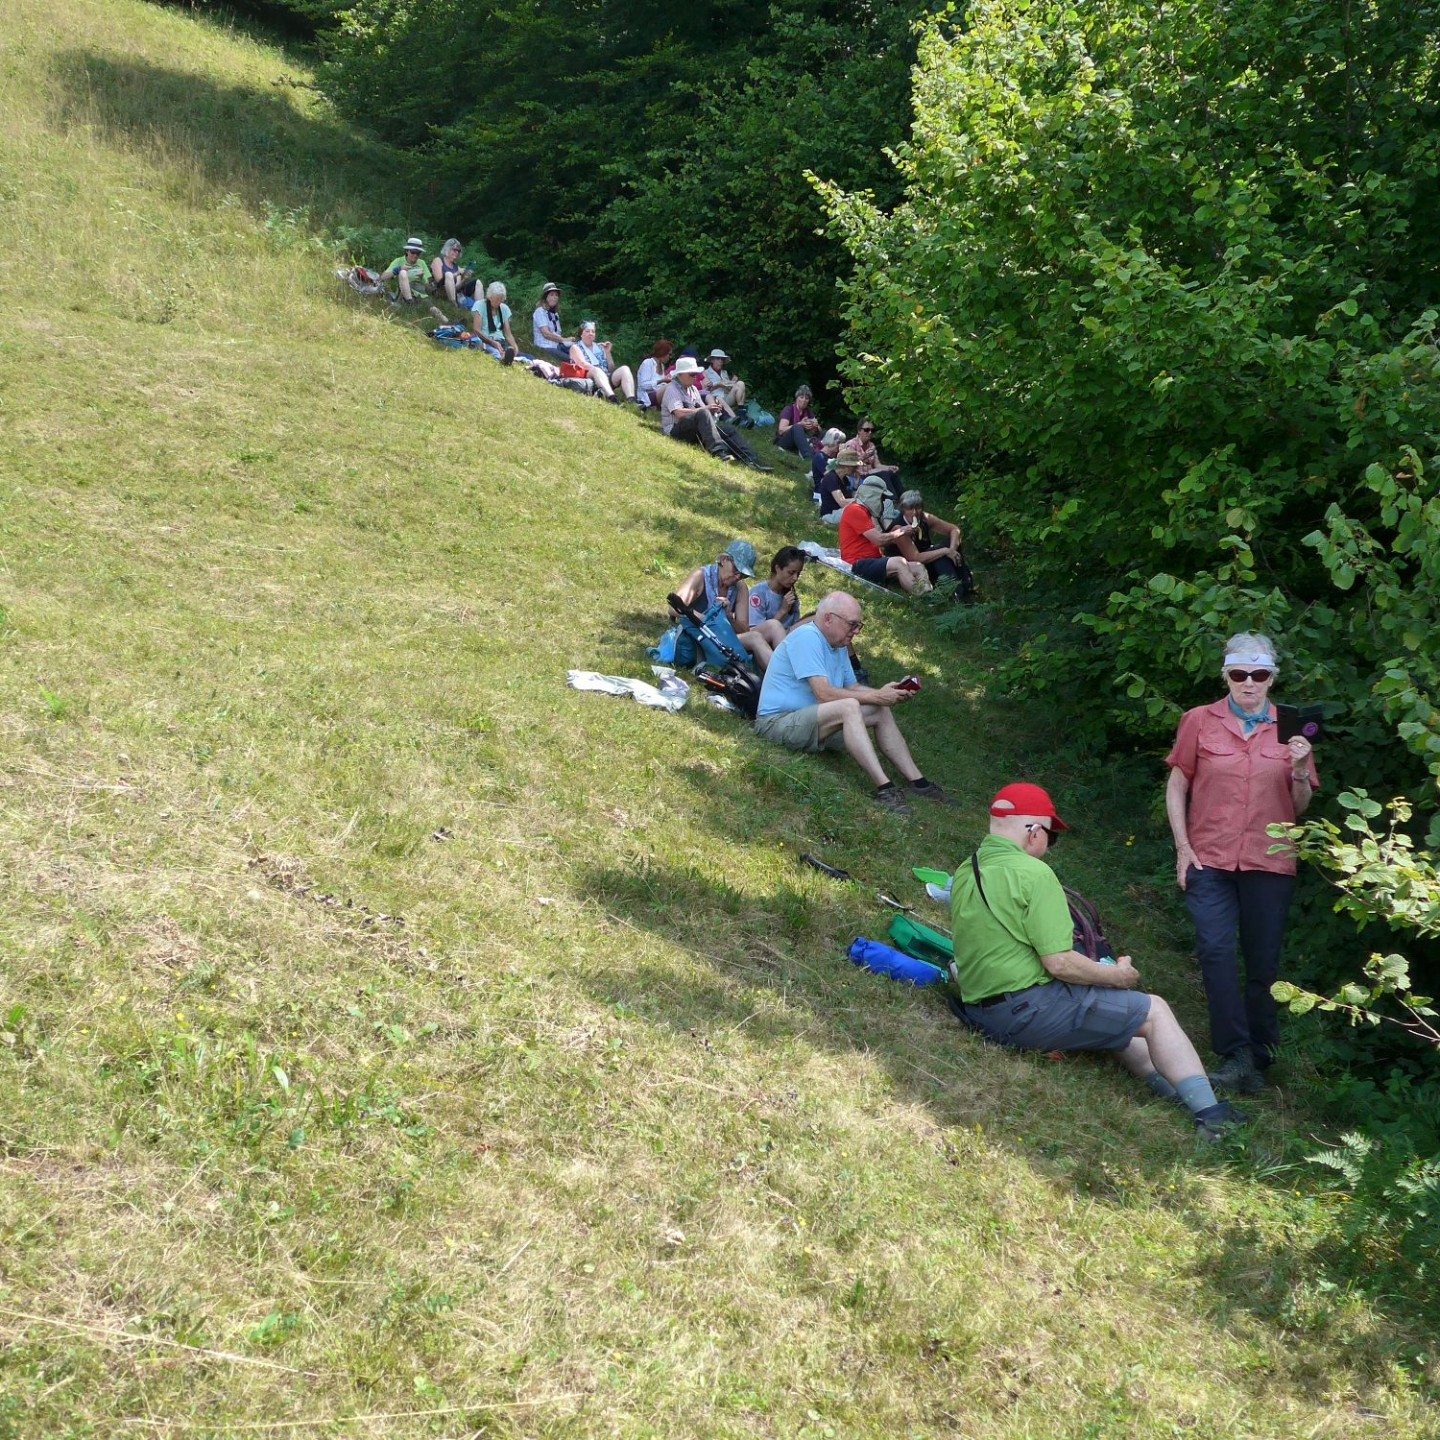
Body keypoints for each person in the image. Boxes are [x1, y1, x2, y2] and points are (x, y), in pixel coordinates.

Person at [948, 782, 1249, 1139]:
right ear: (1032, 833)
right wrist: (1118, 977)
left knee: (1120, 1016)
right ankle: (1212, 1115)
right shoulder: (1035, 874)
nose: (1049, 845)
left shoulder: (969, 868)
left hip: (980, 1008)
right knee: (1153, 1010)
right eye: (1051, 836)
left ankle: (1174, 1091)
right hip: (1022, 1013)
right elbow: (1059, 963)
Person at [1165, 633, 1319, 1093]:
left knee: (1262, 961)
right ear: (1226, 675)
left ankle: (1262, 1053)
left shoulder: (1294, 729)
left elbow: (1302, 806)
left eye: (1258, 674)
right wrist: (1182, 847)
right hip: (1208, 857)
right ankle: (1234, 1054)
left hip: (1269, 862)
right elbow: (1178, 784)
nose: (1248, 683)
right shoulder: (1198, 720)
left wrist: (1299, 768)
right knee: (1214, 950)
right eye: (1238, 674)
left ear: (1272, 678)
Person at [754, 591, 949, 814]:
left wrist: (886, 693)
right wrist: (877, 696)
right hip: (776, 724)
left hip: (809, 721)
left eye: (859, 626)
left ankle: (919, 783)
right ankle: (885, 788)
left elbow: (853, 688)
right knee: (850, 707)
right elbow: (824, 694)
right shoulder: (807, 638)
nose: (856, 631)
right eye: (852, 624)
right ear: (828, 619)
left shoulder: (837, 645)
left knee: (878, 709)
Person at [673, 540, 777, 669]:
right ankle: (780, 679)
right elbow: (674, 608)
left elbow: (744, 629)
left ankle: (778, 677)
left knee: (761, 632)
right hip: (698, 636)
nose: (738, 577)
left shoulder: (740, 588)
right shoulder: (701, 576)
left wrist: (728, 616)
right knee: (754, 637)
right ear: (723, 560)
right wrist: (708, 620)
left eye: (743, 575)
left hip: (721, 639)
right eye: (736, 570)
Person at [838, 477, 928, 592]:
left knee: (918, 566)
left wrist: (899, 537)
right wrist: (902, 531)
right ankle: (920, 594)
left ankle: (930, 597)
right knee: (898, 562)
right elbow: (878, 540)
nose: (883, 502)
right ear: (873, 496)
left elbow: (878, 540)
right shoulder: (855, 510)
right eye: (882, 498)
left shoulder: (864, 512)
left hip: (873, 560)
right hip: (856, 563)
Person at [891, 490, 972, 597]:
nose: (915, 512)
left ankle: (965, 586)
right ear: (903, 510)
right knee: (941, 554)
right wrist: (944, 551)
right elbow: (915, 558)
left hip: (926, 556)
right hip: (911, 567)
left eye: (918, 507)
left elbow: (954, 530)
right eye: (910, 509)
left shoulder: (925, 518)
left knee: (950, 545)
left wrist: (952, 549)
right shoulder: (899, 529)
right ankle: (957, 594)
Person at [661, 356, 730, 458]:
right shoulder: (672, 388)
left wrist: (713, 410)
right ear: (680, 374)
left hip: (690, 428)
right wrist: (707, 409)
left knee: (729, 431)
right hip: (674, 430)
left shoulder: (693, 389)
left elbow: (703, 410)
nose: (695, 377)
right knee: (703, 413)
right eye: (692, 374)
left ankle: (750, 459)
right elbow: (679, 414)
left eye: (696, 374)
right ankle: (718, 452)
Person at [747, 546, 808, 643]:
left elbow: (794, 627)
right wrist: (782, 611)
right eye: (791, 573)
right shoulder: (759, 593)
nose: (795, 578)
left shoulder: (792, 597)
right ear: (778, 568)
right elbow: (755, 634)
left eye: (798, 573)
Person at [570, 321, 636, 403]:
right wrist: (599, 371)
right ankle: (612, 398)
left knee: (624, 369)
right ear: (581, 334)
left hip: (605, 378)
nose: (591, 333)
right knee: (596, 370)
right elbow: (582, 364)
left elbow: (611, 368)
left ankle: (631, 400)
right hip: (587, 377)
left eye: (593, 331)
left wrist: (608, 352)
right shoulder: (575, 347)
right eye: (587, 331)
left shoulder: (600, 347)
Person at [472, 281, 519, 363]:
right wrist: (493, 342)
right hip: (485, 340)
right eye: (497, 299)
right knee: (494, 351)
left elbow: (508, 334)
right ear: (490, 297)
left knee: (526, 356)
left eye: (501, 299)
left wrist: (515, 346)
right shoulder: (479, 305)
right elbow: (476, 330)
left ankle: (507, 357)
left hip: (500, 342)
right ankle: (502, 359)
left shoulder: (504, 308)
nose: (499, 302)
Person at [817, 441, 860, 525]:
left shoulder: (845, 479)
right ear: (847, 466)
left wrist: (855, 485)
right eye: (855, 467)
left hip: (840, 512)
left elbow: (851, 498)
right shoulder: (831, 478)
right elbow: (842, 502)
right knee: (857, 511)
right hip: (831, 515)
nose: (856, 469)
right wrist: (863, 502)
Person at [775, 385, 822, 459]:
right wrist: (800, 424)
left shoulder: (808, 411)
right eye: (801, 397)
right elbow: (781, 430)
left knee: (824, 433)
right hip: (784, 441)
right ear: (797, 398)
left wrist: (815, 426)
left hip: (798, 442)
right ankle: (808, 456)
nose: (803, 400)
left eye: (806, 398)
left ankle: (822, 454)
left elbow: (819, 430)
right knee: (797, 427)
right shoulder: (789, 409)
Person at [531, 283, 574, 362]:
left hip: (557, 345)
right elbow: (546, 334)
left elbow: (557, 333)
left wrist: (568, 341)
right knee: (571, 359)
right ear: (545, 297)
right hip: (545, 346)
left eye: (556, 295)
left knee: (577, 350)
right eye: (551, 295)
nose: (554, 297)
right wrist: (564, 340)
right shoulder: (540, 311)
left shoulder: (555, 314)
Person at [854, 418, 901, 489]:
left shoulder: (871, 445)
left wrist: (889, 467)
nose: (870, 432)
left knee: (892, 472)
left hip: (871, 473)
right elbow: (850, 463)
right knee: (884, 474)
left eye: (872, 430)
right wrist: (864, 456)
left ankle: (904, 497)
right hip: (859, 475)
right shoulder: (852, 445)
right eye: (866, 430)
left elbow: (877, 465)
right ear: (859, 431)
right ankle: (892, 499)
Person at [379, 238, 427, 304]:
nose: (415, 255)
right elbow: (383, 277)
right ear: (407, 251)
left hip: (419, 291)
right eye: (413, 252)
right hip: (403, 292)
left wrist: (422, 277)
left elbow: (428, 284)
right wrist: (398, 269)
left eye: (418, 253)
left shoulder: (422, 263)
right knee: (403, 272)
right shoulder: (398, 261)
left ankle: (414, 303)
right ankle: (410, 302)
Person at [703, 350, 748, 421]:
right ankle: (741, 414)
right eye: (718, 358)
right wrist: (718, 385)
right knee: (738, 386)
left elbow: (728, 388)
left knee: (740, 383)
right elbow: (704, 391)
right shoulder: (705, 373)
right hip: (716, 399)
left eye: (722, 359)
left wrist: (732, 383)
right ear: (712, 360)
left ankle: (741, 411)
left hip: (727, 397)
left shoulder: (724, 372)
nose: (720, 361)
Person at [430, 239, 476, 307]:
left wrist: (465, 279)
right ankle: (453, 304)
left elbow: (457, 287)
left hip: (454, 293)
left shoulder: (457, 267)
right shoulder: (438, 260)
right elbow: (439, 280)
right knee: (448, 274)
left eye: (458, 251)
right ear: (447, 249)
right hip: (440, 290)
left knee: (477, 282)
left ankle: (480, 308)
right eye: (454, 250)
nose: (457, 252)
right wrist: (456, 274)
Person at [811, 428, 847, 503]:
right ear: (833, 442)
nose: (840, 446)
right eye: (839, 443)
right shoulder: (819, 457)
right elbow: (832, 476)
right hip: (822, 494)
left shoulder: (832, 458)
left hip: (834, 492)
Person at [636, 340, 674, 409]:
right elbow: (643, 385)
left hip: (657, 394)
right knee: (669, 388)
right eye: (669, 354)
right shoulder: (648, 363)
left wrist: (666, 380)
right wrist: (662, 380)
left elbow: (660, 385)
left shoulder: (662, 366)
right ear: (663, 353)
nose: (670, 357)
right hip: (646, 397)